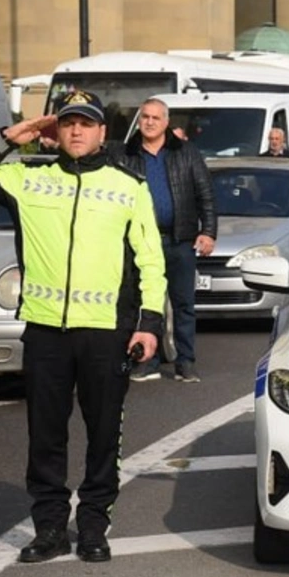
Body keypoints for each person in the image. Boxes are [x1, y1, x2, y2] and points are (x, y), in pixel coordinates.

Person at [0, 91, 166, 564]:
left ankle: (93, 525)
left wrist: (149, 323)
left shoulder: (128, 186)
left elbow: (151, 261)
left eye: (86, 124)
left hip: (106, 330)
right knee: (45, 434)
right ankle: (49, 528)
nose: (76, 131)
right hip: (45, 330)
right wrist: (11, 136)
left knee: (101, 434)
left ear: (101, 133)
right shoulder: (28, 179)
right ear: (56, 130)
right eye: (68, 123)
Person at [115, 98, 216, 383]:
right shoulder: (125, 154)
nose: (149, 122)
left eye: (155, 118)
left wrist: (208, 231)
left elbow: (205, 194)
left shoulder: (186, 153)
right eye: (144, 117)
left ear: (166, 122)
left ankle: (186, 362)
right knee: (147, 303)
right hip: (141, 243)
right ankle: (148, 361)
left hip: (179, 240)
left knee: (183, 304)